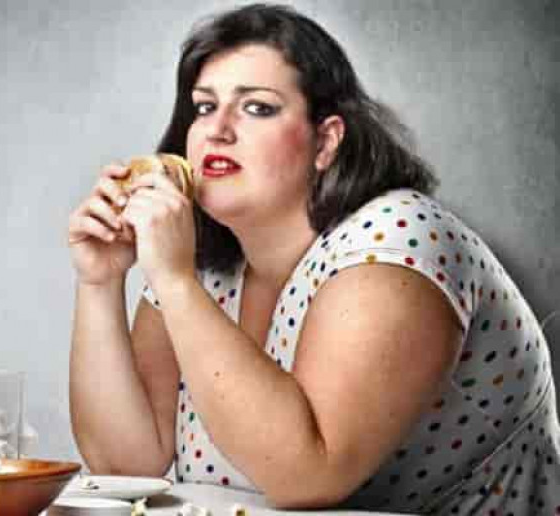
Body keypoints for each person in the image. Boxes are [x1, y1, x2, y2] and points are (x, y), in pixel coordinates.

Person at [67, 3, 560, 514]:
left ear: (326, 141)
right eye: (204, 107)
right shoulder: (199, 266)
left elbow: (307, 475)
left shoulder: (399, 239)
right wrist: (100, 281)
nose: (217, 130)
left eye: (257, 108)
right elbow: (125, 465)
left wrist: (174, 283)